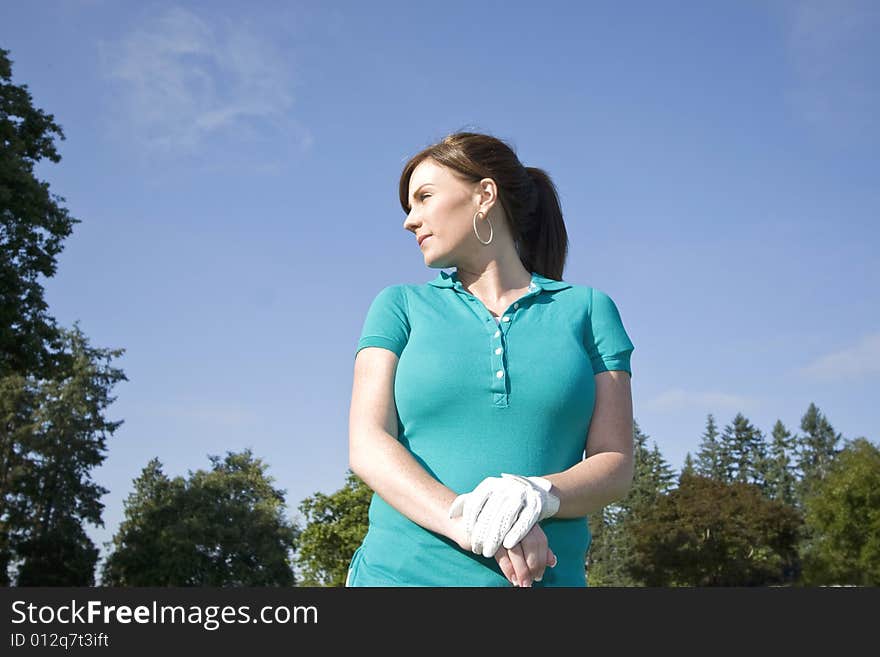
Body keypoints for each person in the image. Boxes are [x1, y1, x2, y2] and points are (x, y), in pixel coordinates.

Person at [346, 131, 635, 587]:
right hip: (400, 577)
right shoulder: (398, 306)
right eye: (408, 207)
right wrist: (476, 523)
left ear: (485, 195)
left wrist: (537, 494)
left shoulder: (589, 310)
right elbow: (368, 443)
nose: (409, 221)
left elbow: (615, 460)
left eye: (423, 197)